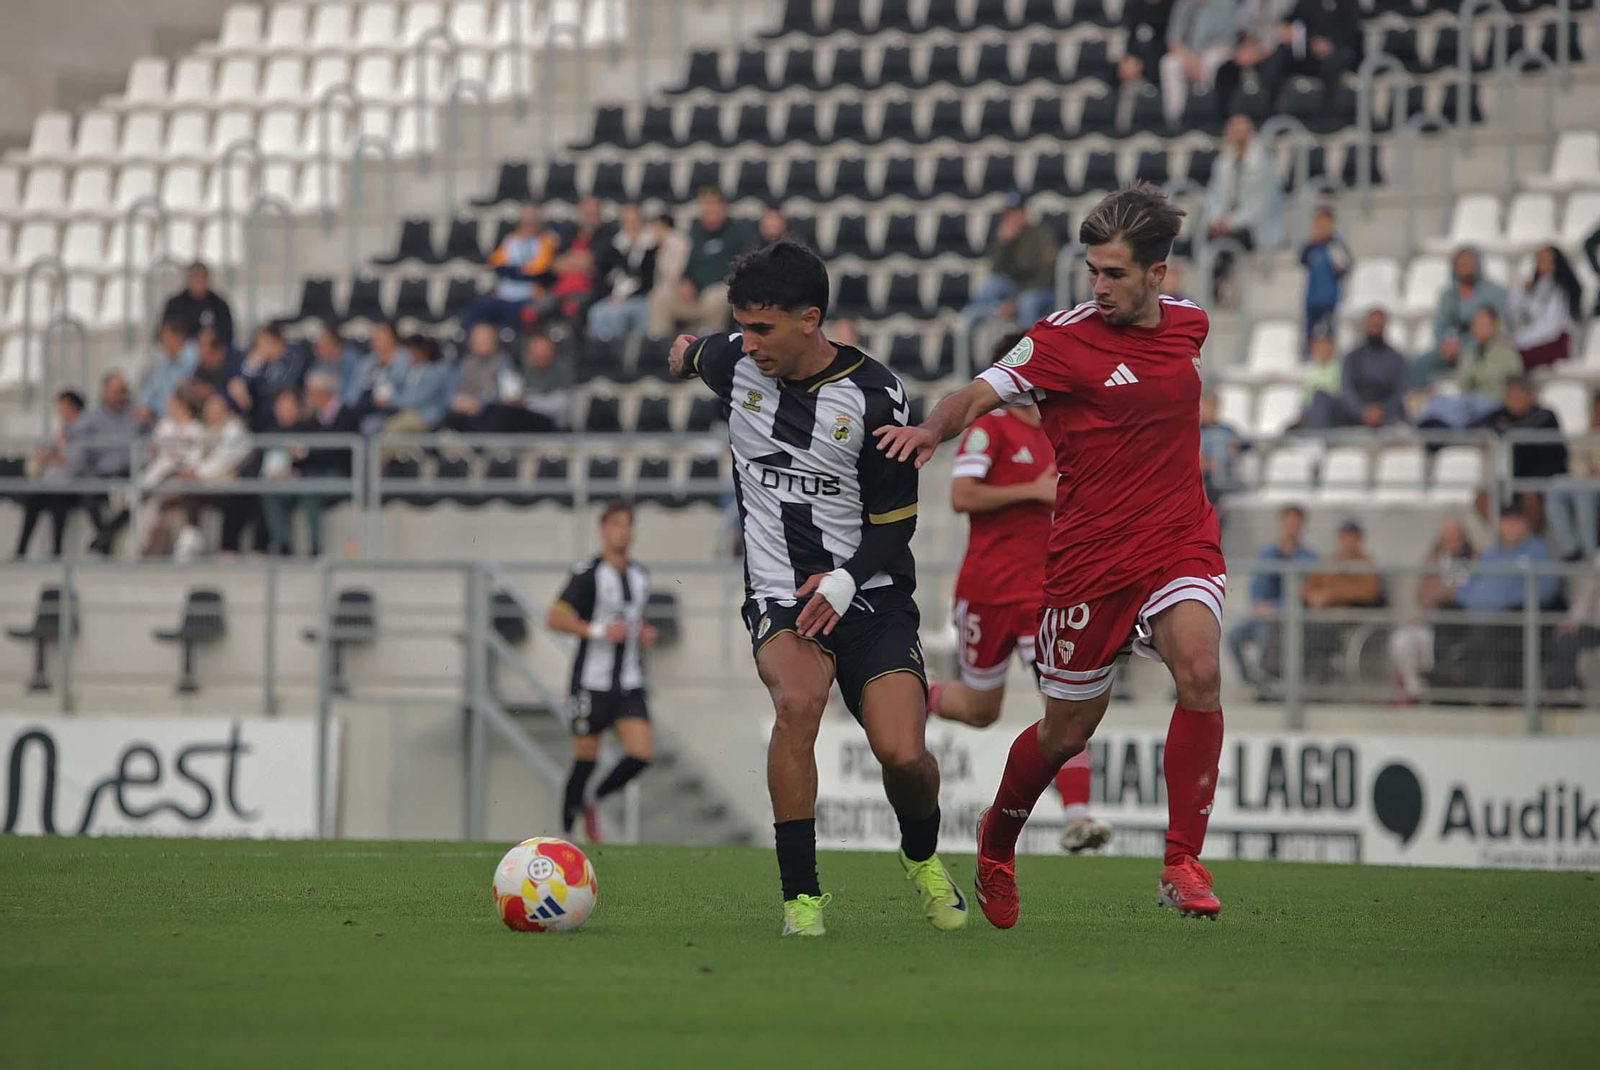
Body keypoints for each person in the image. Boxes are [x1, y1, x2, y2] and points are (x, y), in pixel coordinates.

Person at [879, 183, 1229, 923]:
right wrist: (931, 432)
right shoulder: (1061, 341)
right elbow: (978, 394)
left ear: (1157, 275)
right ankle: (998, 842)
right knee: (1068, 730)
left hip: (1176, 541)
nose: (1098, 287)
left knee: (1200, 669)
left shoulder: (1190, 325)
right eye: (1092, 271)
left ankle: (1181, 862)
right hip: (1087, 561)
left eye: (1115, 274)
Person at [667, 240, 965, 938]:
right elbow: (691, 352)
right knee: (797, 703)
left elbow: (897, 525)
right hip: (781, 594)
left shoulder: (875, 395)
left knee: (905, 756)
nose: (750, 342)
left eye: (764, 328)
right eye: (741, 326)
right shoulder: (735, 361)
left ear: (811, 318)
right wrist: (681, 355)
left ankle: (921, 857)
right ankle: (801, 901)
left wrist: (845, 576)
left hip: (871, 592)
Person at [926, 331, 1112, 855]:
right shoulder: (992, 430)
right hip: (986, 591)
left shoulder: (1060, 432)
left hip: (1045, 596)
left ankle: (1077, 816)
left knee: (1065, 704)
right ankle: (923, 697)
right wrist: (1031, 491)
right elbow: (961, 495)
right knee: (982, 709)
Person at [545, 501, 657, 841]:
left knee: (641, 753)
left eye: (628, 524)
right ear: (603, 530)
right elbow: (555, 618)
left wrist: (644, 633)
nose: (623, 531)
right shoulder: (588, 574)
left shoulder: (640, 575)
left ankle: (594, 800)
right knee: (586, 757)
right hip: (591, 683)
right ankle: (566, 831)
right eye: (616, 524)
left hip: (628, 682)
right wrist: (599, 631)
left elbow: (632, 619)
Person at [1472, 377, 1571, 554]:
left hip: (1542, 480)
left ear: (1530, 396)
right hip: (1509, 481)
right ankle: (1504, 542)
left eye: (1520, 396)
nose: (1516, 401)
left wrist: (1505, 431)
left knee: (1530, 496)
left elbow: (1527, 431)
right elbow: (1475, 427)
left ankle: (1531, 548)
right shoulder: (1499, 416)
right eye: (1512, 396)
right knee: (1482, 498)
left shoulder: (1546, 416)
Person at [1388, 517, 1477, 703]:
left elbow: (1468, 595)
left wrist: (1444, 591)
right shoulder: (1433, 560)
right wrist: (1446, 590)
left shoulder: (1476, 558)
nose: (1452, 541)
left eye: (1456, 536)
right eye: (1447, 536)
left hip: (1463, 627)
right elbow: (1423, 596)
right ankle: (1415, 693)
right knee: (1402, 640)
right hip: (1431, 623)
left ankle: (1446, 694)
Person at [1227, 504, 1317, 685]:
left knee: (1266, 633)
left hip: (1289, 619)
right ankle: (1250, 682)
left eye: (1295, 523)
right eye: (1288, 523)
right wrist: (1258, 604)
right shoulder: (1266, 554)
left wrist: (1275, 608)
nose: (1291, 527)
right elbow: (1257, 586)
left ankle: (1268, 683)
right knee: (1233, 636)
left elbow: (1303, 594)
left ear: (1302, 526)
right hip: (1262, 614)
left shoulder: (1310, 558)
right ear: (1281, 524)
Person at [650, 188, 756, 338]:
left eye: (713, 207)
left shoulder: (738, 233)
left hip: (721, 291)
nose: (709, 212)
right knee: (661, 297)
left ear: (723, 208)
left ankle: (708, 347)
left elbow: (742, 269)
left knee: (713, 297)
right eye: (706, 208)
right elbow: (688, 265)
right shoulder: (696, 233)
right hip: (693, 296)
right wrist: (685, 282)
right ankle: (660, 347)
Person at [960, 193, 1059, 344]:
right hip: (1017, 289)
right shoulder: (1009, 236)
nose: (1012, 217)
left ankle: (1025, 354)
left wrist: (1015, 301)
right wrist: (1003, 244)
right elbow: (997, 270)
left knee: (1027, 302)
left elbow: (1047, 275)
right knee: (992, 286)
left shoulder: (1041, 234)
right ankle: (964, 335)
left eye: (1016, 213)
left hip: (1044, 290)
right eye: (1009, 213)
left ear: (1025, 213)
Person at [1301, 518, 1385, 681]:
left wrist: (1331, 596)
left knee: (1323, 628)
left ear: (1360, 539)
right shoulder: (1328, 562)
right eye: (1345, 536)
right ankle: (1307, 674)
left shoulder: (1367, 564)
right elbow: (1307, 589)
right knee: (1302, 626)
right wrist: (1313, 596)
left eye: (1353, 537)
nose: (1349, 541)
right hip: (1322, 614)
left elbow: (1368, 592)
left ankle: (1323, 674)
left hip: (1352, 616)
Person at [1417, 306, 1524, 429]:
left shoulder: (1507, 353)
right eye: (1476, 324)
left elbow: (1516, 388)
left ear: (1494, 325)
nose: (1478, 328)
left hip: (1493, 404)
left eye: (1483, 323)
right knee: (1437, 404)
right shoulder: (1469, 353)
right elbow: (1463, 383)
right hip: (1468, 401)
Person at [1204, 114, 1286, 273]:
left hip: (1252, 226)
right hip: (1224, 223)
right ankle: (1218, 284)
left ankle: (1218, 285)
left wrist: (1232, 222)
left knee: (1226, 241)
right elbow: (1213, 194)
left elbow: (1261, 204)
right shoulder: (1222, 161)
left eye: (1242, 131)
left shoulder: (1263, 163)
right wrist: (1217, 220)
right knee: (1207, 237)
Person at [13, 390, 88, 560]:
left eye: (62, 406)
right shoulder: (65, 430)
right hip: (53, 483)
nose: (59, 410)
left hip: (72, 485)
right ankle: (21, 550)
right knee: (33, 501)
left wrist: (52, 458)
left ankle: (56, 551)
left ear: (72, 406)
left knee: (58, 502)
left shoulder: (83, 430)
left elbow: (75, 463)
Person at [463, 202, 557, 330]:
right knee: (476, 308)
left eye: (531, 223)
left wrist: (514, 270)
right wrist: (518, 270)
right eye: (524, 223)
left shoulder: (545, 241)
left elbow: (538, 270)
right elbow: (496, 264)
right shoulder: (511, 240)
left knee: (519, 317)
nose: (527, 227)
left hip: (529, 297)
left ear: (538, 224)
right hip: (504, 295)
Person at [77, 371, 141, 555]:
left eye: (124, 390)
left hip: (130, 472)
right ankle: (105, 536)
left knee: (139, 497)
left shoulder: (135, 413)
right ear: (105, 391)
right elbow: (74, 436)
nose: (122, 395)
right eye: (117, 391)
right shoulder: (92, 416)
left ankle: (104, 535)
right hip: (102, 473)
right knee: (87, 492)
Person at [1159, 0, 1241, 128]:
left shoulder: (1226, 3)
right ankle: (1174, 119)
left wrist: (1198, 59)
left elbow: (1229, 38)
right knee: (1169, 64)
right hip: (1189, 53)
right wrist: (1190, 58)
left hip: (1218, 50)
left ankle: (1207, 113)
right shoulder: (1183, 4)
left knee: (1211, 62)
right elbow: (1173, 40)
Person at [1430, 247, 1510, 372]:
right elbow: (1440, 325)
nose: (1465, 267)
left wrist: (1464, 345)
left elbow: (1503, 327)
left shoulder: (1494, 292)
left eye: (1469, 264)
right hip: (1449, 350)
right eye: (1461, 264)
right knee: (1421, 363)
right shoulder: (1448, 294)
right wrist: (1445, 345)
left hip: (1483, 348)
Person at [587, 203, 657, 342]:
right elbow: (609, 272)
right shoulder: (617, 244)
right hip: (616, 296)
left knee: (615, 315)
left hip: (641, 296)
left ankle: (619, 355)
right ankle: (599, 356)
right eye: (626, 222)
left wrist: (623, 295)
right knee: (596, 312)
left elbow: (646, 278)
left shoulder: (650, 246)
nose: (629, 226)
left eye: (633, 221)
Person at [1511, 244, 1582, 370]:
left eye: (1546, 260)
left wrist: (1521, 341)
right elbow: (1517, 311)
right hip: (1536, 339)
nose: (1542, 263)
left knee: (1511, 359)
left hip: (1554, 342)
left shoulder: (1562, 289)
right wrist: (1524, 292)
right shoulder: (1537, 286)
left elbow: (1551, 327)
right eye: (1539, 260)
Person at [228, 325, 308, 433]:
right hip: (263, 411)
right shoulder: (264, 363)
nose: (259, 349)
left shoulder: (292, 354)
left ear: (274, 341)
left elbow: (284, 384)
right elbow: (244, 384)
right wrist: (250, 368)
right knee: (236, 387)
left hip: (289, 407)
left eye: (261, 344)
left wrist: (253, 373)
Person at [1340, 309, 1409, 428]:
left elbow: (1400, 391)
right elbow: (1347, 390)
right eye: (1373, 325)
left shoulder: (1396, 358)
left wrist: (1381, 411)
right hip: (1355, 414)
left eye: (1378, 325)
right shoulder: (1352, 357)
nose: (1375, 329)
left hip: (1388, 415)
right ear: (1365, 326)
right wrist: (1363, 411)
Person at [1545, 550, 1600, 692]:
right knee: (1565, 638)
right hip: (1595, 625)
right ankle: (1565, 695)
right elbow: (1586, 596)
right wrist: (1573, 620)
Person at [1298, 206, 1351, 348]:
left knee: (1329, 333)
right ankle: (1309, 357)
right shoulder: (1311, 247)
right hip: (1312, 300)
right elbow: (1301, 260)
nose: (1321, 228)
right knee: (1310, 335)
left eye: (1324, 224)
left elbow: (1345, 267)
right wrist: (1311, 242)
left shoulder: (1336, 246)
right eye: (1318, 224)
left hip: (1330, 300)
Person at [380, 335, 454, 434]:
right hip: (406, 413)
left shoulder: (437, 372)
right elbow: (395, 383)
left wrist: (389, 402)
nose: (409, 353)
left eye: (413, 350)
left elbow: (415, 399)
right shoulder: (409, 369)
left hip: (427, 416)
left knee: (393, 427)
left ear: (422, 351)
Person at [137, 317, 199, 426]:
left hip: (185, 419)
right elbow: (151, 386)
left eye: (166, 338)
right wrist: (143, 404)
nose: (162, 343)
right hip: (159, 419)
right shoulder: (162, 361)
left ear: (178, 337)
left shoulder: (194, 358)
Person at [160, 261, 234, 348]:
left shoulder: (219, 305)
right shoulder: (174, 304)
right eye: (195, 278)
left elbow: (227, 336)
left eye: (202, 278)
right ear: (188, 280)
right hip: (178, 354)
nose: (198, 282)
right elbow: (162, 333)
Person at [1199, 389, 1246, 503]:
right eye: (1208, 405)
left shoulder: (1228, 430)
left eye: (1214, 405)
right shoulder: (1194, 430)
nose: (1211, 409)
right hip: (1201, 476)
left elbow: (1246, 446)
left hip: (1226, 474)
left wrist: (1236, 448)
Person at [1119, 0, 1173, 92]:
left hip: (1159, 66)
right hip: (1135, 65)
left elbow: (1170, 44)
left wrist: (1142, 65)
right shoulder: (1133, 6)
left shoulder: (1172, 7)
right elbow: (1130, 39)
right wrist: (1127, 60)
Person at [309, 321, 360, 405]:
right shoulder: (319, 364)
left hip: (346, 411)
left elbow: (352, 397)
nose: (316, 351)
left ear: (333, 344)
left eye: (320, 346)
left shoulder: (352, 361)